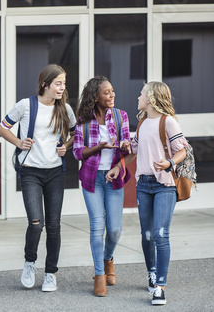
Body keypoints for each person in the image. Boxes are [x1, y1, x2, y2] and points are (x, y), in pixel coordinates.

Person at [0, 64, 76, 292]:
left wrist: (66, 147)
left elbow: (75, 134)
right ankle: (29, 262)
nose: (62, 87)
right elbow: (2, 128)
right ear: (45, 84)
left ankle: (50, 273)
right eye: (58, 83)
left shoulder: (65, 109)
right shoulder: (26, 105)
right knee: (36, 223)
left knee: (53, 226)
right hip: (30, 170)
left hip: (54, 172)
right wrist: (19, 142)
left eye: (64, 83)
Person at [107, 81, 188, 305]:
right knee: (147, 235)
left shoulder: (168, 122)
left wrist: (169, 163)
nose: (138, 98)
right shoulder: (142, 123)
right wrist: (118, 165)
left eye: (141, 94)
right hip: (144, 185)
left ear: (151, 99)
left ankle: (160, 286)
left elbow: (183, 150)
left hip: (164, 185)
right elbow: (134, 150)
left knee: (161, 234)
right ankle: (151, 272)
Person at [72, 76, 132, 297]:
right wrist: (99, 147)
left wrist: (125, 145)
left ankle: (108, 260)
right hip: (92, 178)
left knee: (114, 229)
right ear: (95, 96)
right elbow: (78, 152)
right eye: (106, 93)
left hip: (114, 177)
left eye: (112, 91)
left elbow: (127, 145)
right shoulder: (83, 121)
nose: (111, 95)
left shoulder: (120, 116)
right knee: (97, 225)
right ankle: (99, 275)